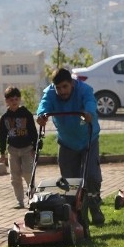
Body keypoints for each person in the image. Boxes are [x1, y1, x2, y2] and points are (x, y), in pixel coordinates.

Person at [36, 67, 106, 226]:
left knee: (91, 176)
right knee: (69, 182)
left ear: (72, 84)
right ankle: (76, 216)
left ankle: (95, 207)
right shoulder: (50, 92)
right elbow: (44, 104)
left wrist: (88, 112)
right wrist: (42, 115)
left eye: (65, 87)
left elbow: (90, 102)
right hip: (67, 142)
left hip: (88, 139)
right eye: (58, 88)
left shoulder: (84, 89)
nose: (62, 91)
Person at [0, 86, 38, 208]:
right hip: (13, 150)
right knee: (14, 176)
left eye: (16, 99)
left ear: (19, 99)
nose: (14, 102)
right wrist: (2, 152)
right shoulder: (4, 118)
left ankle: (32, 197)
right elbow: (2, 135)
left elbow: (33, 132)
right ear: (6, 101)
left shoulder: (26, 114)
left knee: (27, 173)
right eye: (11, 100)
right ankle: (19, 201)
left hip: (27, 149)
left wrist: (35, 148)